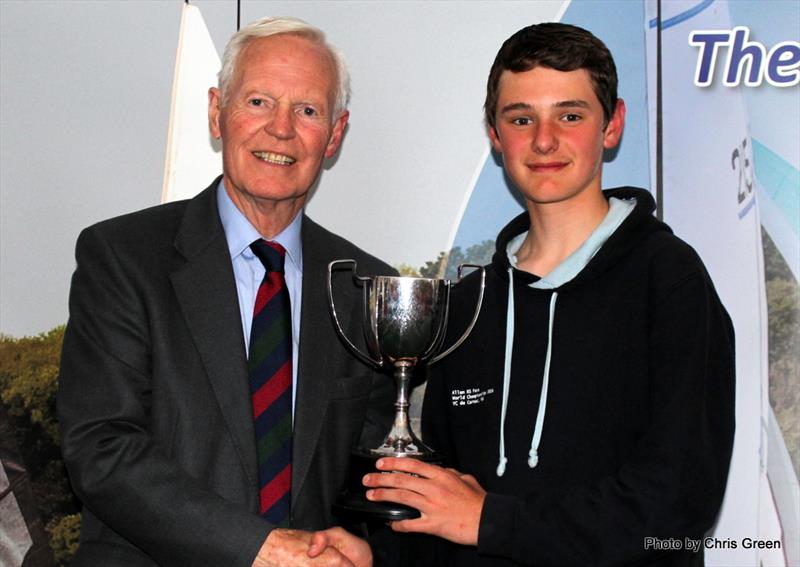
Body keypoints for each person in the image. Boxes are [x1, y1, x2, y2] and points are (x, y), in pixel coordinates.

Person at [360, 22, 736, 566]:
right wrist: (375, 551)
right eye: (521, 119)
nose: (543, 140)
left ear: (612, 126)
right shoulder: (465, 307)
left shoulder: (669, 281)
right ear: (494, 133)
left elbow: (679, 507)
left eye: (570, 115)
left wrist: (493, 521)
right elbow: (440, 507)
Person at [58, 16, 395, 567]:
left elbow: (369, 464)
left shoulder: (364, 286)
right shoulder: (121, 257)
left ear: (334, 135)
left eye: (307, 110)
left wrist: (372, 544)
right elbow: (102, 448)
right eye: (259, 102)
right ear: (217, 112)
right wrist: (257, 548)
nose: (281, 130)